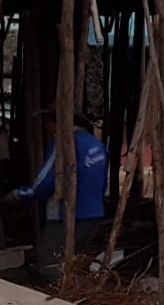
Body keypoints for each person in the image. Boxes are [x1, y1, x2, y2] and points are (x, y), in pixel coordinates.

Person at [10, 114, 109, 268]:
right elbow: (103, 182)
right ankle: (77, 291)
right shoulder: (98, 145)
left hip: (65, 216)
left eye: (47, 124)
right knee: (76, 265)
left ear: (57, 124)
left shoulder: (63, 144)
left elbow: (46, 181)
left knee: (49, 265)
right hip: (94, 214)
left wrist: (18, 194)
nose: (47, 130)